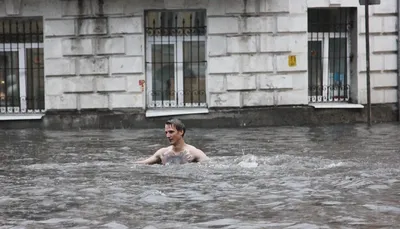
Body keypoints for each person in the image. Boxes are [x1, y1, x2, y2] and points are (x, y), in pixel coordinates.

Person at [135, 118, 209, 165]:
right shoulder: (162, 153)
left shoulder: (194, 153)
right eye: (166, 132)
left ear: (181, 132)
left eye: (171, 132)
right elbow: (143, 163)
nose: (168, 135)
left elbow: (210, 166)